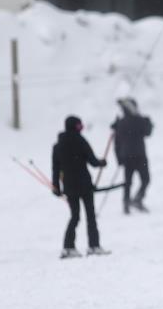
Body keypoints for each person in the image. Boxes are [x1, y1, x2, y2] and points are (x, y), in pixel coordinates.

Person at [52, 115, 110, 259]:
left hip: (70, 187)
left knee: (75, 216)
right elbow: (93, 161)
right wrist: (102, 162)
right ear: (76, 127)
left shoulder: (58, 146)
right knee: (90, 216)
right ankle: (94, 246)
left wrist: (56, 187)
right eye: (80, 125)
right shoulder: (80, 141)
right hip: (85, 185)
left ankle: (68, 247)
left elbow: (56, 168)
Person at [111, 97, 154, 214]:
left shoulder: (121, 123)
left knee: (128, 182)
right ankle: (136, 200)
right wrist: (147, 121)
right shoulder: (138, 120)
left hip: (127, 157)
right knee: (145, 179)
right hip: (139, 156)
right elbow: (148, 132)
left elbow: (117, 144)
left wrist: (119, 159)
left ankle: (126, 204)